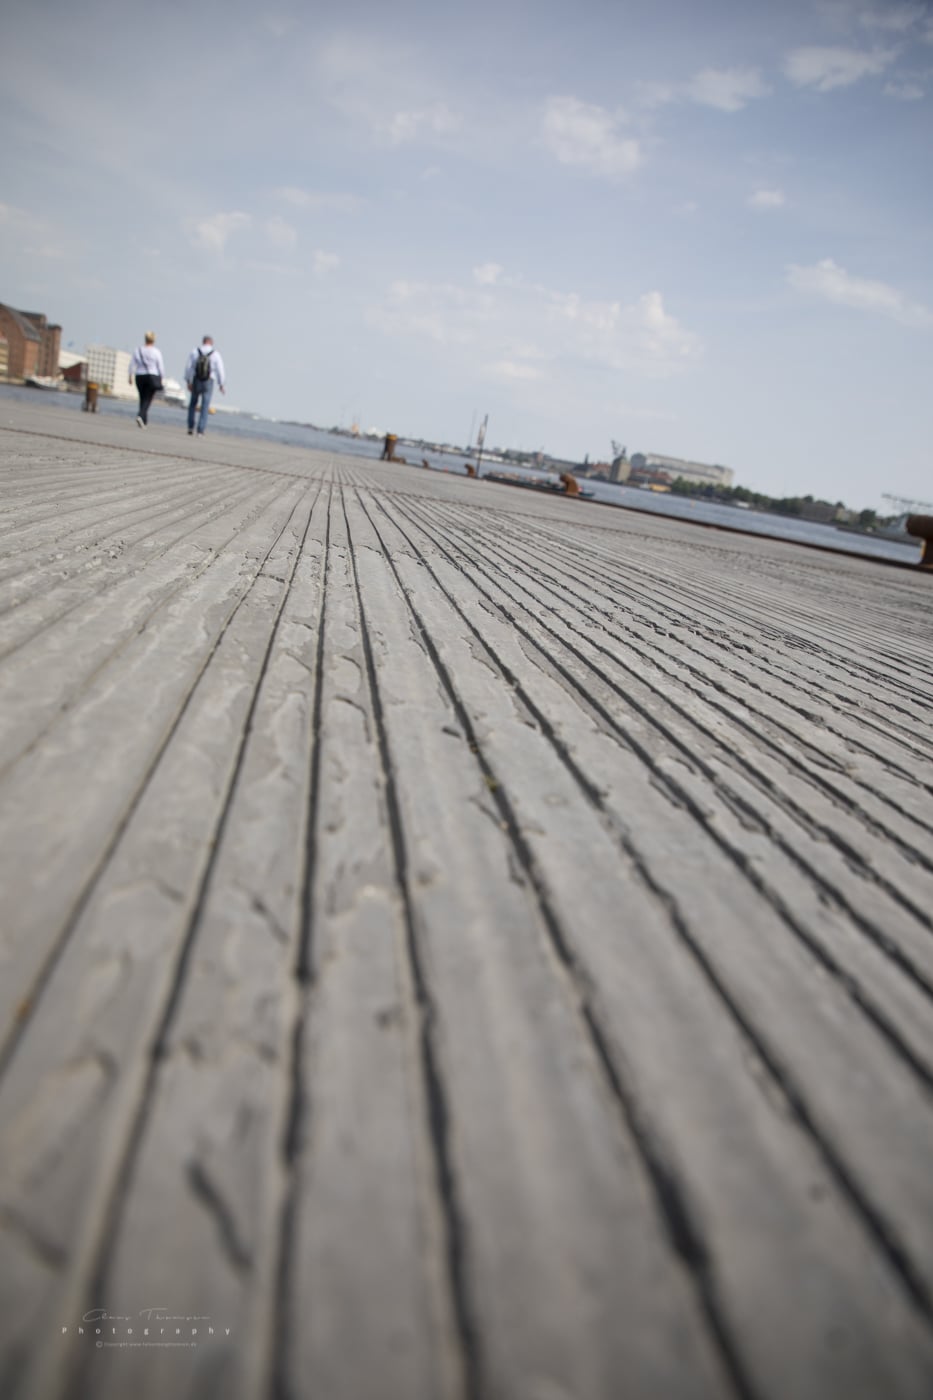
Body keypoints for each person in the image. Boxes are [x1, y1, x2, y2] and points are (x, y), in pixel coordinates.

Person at [185, 336, 226, 435]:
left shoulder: (195, 351)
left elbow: (189, 367)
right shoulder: (215, 354)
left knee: (193, 404)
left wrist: (188, 381)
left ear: (203, 342)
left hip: (196, 379)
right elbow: (220, 370)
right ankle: (200, 429)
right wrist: (221, 384)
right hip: (209, 380)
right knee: (205, 405)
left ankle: (190, 427)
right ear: (211, 343)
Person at [128, 332, 165, 428]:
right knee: (148, 398)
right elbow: (160, 366)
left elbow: (132, 364)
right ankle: (140, 415)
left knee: (142, 397)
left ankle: (143, 420)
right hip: (152, 376)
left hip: (139, 376)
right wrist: (161, 378)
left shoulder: (138, 350)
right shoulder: (156, 352)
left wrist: (130, 375)